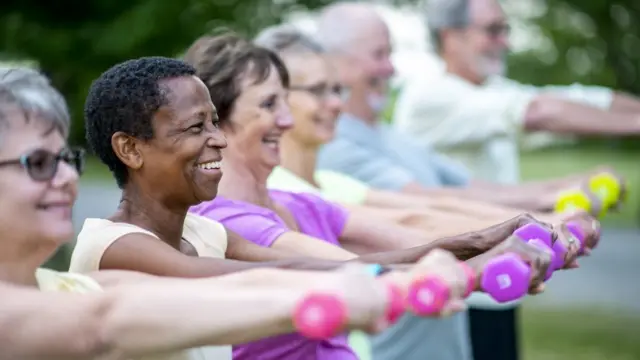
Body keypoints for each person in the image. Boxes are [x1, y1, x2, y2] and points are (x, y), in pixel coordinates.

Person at [69, 56, 527, 359]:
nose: (219, 139)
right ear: (130, 149)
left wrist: (472, 245)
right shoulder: (117, 246)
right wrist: (442, 276)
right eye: (194, 127)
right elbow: (272, 277)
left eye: (214, 121)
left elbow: (316, 264)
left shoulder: (203, 234)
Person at [181, 32, 589, 360]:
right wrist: (477, 271)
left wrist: (516, 233)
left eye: (286, 101)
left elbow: (407, 232)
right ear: (217, 121)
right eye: (270, 104)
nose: (287, 120)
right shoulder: (225, 220)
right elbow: (353, 270)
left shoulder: (297, 204)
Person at [0, 66, 422, 359]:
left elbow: (250, 283)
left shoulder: (72, 287)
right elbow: (106, 322)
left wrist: (467, 256)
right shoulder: (112, 251)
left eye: (65, 161)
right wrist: (351, 289)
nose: (65, 179)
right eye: (37, 163)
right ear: (130, 149)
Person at [311, 2, 603, 360]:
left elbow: (474, 190)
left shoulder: (393, 136)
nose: (391, 67)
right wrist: (537, 223)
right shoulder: (334, 149)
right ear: (334, 62)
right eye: (379, 54)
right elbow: (423, 208)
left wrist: (561, 195)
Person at [252, 24, 596, 237]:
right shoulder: (282, 191)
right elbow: (414, 216)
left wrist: (545, 211)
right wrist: (539, 220)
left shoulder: (335, 183)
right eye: (317, 91)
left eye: (336, 89)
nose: (335, 103)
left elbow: (434, 204)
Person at [394, 0, 640, 186]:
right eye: (493, 30)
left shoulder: (492, 89)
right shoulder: (429, 93)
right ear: (451, 38)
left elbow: (576, 100)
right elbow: (538, 113)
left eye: (505, 30)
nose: (506, 42)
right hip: (447, 247)